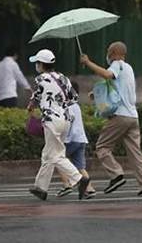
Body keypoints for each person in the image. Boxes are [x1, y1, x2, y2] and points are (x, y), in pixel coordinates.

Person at [80, 41, 142, 197]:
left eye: (109, 51)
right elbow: (115, 87)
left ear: (115, 53)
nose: (107, 54)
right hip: (133, 116)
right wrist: (96, 93)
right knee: (135, 153)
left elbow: (108, 75)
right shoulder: (128, 68)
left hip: (120, 116)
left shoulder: (117, 64)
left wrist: (88, 62)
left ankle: (116, 174)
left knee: (102, 146)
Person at [27, 49, 90, 200]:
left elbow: (35, 97)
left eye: (37, 63)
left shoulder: (40, 79)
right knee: (48, 154)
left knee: (56, 155)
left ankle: (79, 179)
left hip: (51, 121)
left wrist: (31, 106)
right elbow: (73, 97)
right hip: (66, 120)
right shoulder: (63, 78)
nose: (36, 65)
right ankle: (41, 188)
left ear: (41, 65)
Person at [55, 81, 96, 199]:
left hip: (70, 139)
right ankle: (89, 189)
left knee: (57, 159)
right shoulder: (76, 105)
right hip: (81, 139)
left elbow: (67, 123)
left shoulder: (66, 106)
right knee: (80, 166)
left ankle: (67, 185)